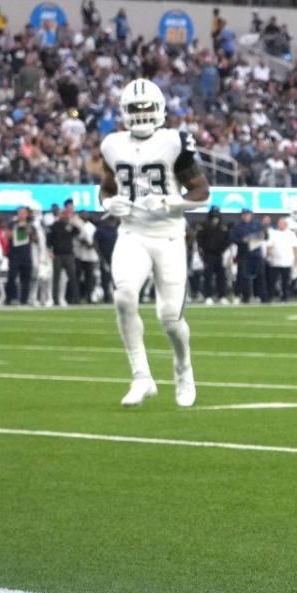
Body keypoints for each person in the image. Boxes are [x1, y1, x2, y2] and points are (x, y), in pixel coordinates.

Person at [98, 78, 208, 407]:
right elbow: (106, 188)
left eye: (147, 108)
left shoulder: (175, 141)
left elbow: (202, 192)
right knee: (124, 296)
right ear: (124, 112)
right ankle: (141, 376)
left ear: (159, 109)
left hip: (170, 234)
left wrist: (174, 203)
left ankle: (183, 368)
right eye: (135, 109)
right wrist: (107, 203)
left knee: (170, 318)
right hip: (132, 232)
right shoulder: (112, 144)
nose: (142, 114)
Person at [196, 210, 231, 303]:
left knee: (221, 276)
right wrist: (204, 251)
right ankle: (208, 296)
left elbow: (227, 240)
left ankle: (222, 296)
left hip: (219, 254)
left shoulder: (223, 226)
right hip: (208, 254)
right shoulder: (204, 226)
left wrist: (222, 250)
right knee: (208, 276)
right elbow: (200, 240)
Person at [265, 215, 297, 302]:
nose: (281, 225)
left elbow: (295, 246)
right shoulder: (273, 233)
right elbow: (269, 245)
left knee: (285, 281)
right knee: (272, 280)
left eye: (282, 223)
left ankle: (285, 297)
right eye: (279, 223)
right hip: (275, 261)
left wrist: (296, 258)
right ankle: (270, 296)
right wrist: (268, 255)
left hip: (287, 261)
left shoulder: (291, 234)